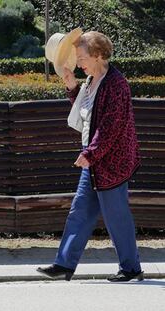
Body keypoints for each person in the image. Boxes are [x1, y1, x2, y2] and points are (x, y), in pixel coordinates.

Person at [37, 29, 143, 282]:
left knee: (116, 216)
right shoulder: (91, 81)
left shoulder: (116, 84)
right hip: (95, 161)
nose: (78, 62)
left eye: (82, 57)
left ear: (97, 55)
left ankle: (131, 268)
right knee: (80, 212)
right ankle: (64, 264)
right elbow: (85, 113)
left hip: (112, 162)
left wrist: (90, 153)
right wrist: (72, 87)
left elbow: (111, 126)